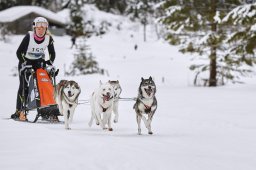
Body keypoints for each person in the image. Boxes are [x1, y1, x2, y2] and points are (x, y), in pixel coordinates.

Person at [11, 17, 56, 121]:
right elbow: (19, 52)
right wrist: (24, 62)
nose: (41, 30)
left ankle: (46, 110)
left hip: (38, 62)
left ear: (46, 29)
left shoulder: (49, 38)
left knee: (44, 84)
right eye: (38, 28)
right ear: (35, 28)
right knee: (24, 86)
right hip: (25, 61)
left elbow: (52, 53)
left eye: (43, 28)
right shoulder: (29, 36)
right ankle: (19, 111)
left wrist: (49, 62)